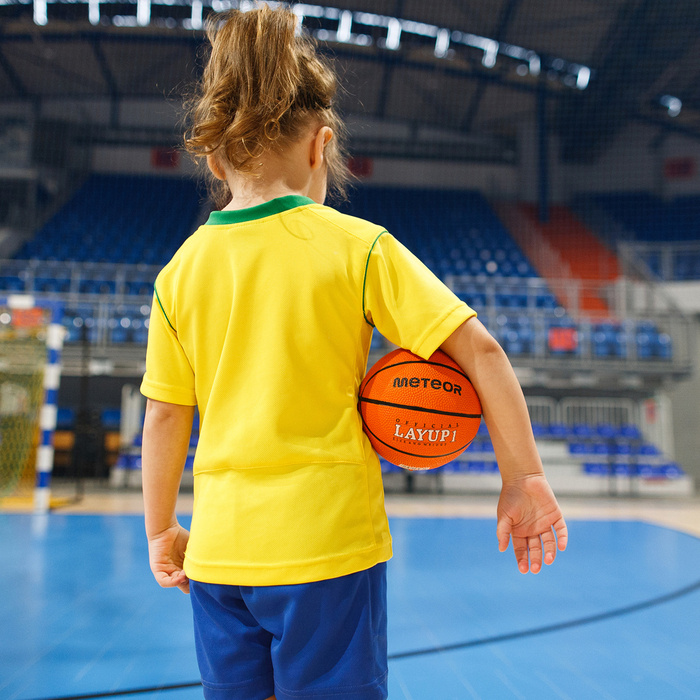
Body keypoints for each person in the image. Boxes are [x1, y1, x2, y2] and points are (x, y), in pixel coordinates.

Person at [140, 6, 568, 700]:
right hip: (328, 551)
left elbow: (163, 419)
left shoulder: (178, 273)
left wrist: (162, 528)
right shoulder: (359, 246)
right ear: (321, 146)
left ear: (214, 157)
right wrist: (522, 477)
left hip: (220, 557)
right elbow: (481, 351)